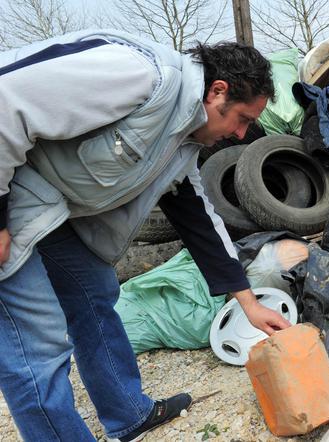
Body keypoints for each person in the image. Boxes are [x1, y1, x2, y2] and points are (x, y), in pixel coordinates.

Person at [0, 30, 291, 441]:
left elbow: (199, 219)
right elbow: (5, 99)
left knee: (95, 295)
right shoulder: (138, 75)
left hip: (45, 201)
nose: (242, 135)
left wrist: (248, 302)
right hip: (7, 190)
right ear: (218, 91)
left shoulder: (183, 141)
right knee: (38, 341)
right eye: (243, 119)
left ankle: (129, 414)